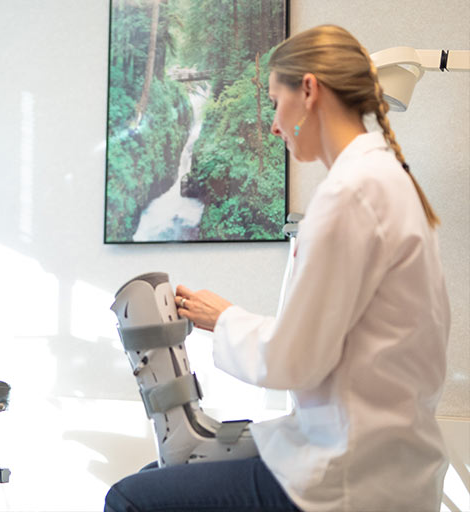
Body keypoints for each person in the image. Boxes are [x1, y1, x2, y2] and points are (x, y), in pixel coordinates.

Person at [105, 25, 450, 512]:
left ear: (308, 90)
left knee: (128, 499)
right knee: (157, 475)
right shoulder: (383, 181)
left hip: (351, 478)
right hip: (381, 456)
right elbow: (324, 343)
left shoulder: (350, 195)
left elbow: (295, 360)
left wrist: (223, 318)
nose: (272, 125)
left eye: (274, 103)